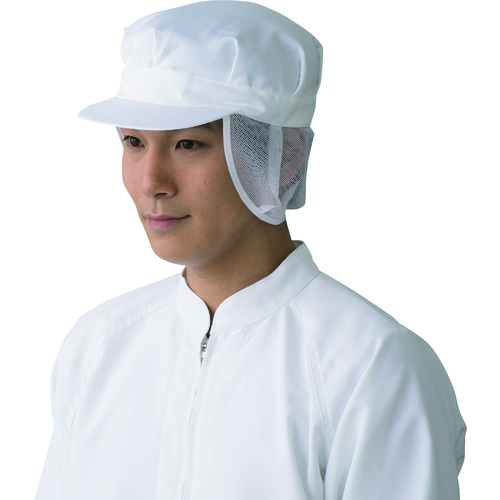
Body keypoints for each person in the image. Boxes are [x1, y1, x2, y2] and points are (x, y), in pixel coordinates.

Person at [35, 1, 466, 499]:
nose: (151, 181)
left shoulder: (371, 364)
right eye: (134, 142)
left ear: (278, 157)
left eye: (188, 144)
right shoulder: (98, 346)